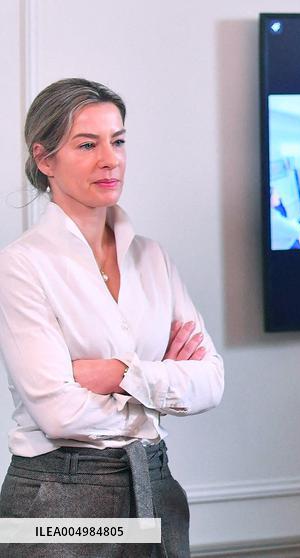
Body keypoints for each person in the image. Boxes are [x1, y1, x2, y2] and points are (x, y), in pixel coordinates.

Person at [0, 78, 225, 556]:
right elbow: (59, 414)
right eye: (87, 144)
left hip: (155, 484)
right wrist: (162, 382)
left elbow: (211, 381)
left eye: (118, 141)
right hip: (59, 499)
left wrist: (120, 375)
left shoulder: (153, 258)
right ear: (45, 160)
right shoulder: (21, 266)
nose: (111, 158)